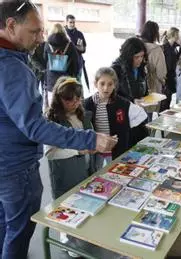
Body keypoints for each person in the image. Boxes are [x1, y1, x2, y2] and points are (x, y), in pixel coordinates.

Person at [0, 2, 117, 258]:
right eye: (35, 31)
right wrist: (89, 138)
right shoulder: (11, 68)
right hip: (14, 168)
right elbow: (34, 126)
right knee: (18, 232)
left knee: (4, 226)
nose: (41, 38)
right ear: (11, 25)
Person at [45, 77, 96, 258]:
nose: (75, 103)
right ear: (59, 99)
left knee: (83, 202)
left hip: (85, 169)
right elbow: (51, 153)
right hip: (65, 173)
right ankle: (66, 238)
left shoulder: (82, 114)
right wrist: (78, 151)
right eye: (69, 100)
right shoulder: (52, 120)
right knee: (65, 206)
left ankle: (78, 236)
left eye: (78, 98)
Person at [85, 67, 148, 169]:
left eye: (110, 84)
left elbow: (142, 115)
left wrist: (125, 126)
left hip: (115, 149)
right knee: (96, 173)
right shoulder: (88, 104)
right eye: (102, 84)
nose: (106, 88)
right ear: (95, 83)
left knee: (115, 170)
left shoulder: (122, 103)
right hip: (97, 150)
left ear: (114, 85)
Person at [43, 23, 79, 107]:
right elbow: (75, 62)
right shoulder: (69, 44)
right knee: (66, 106)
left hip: (51, 80)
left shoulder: (47, 44)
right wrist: (74, 76)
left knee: (52, 106)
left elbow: (45, 59)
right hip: (66, 80)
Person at [111, 37, 148, 103]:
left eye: (142, 56)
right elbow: (112, 95)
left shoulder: (140, 67)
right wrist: (132, 101)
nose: (140, 60)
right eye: (136, 57)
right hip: (122, 110)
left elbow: (142, 91)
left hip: (137, 109)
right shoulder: (116, 69)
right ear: (128, 56)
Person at [161, 27, 181, 111]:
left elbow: (177, 59)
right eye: (178, 34)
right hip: (166, 76)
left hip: (171, 75)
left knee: (168, 99)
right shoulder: (165, 47)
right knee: (165, 101)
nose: (179, 36)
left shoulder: (174, 47)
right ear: (174, 35)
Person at [65, 14, 89, 88]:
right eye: (70, 22)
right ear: (66, 22)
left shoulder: (79, 34)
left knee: (78, 85)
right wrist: (75, 47)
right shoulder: (62, 33)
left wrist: (75, 47)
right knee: (67, 86)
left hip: (78, 63)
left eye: (74, 22)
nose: (72, 24)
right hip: (65, 64)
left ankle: (80, 99)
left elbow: (83, 49)